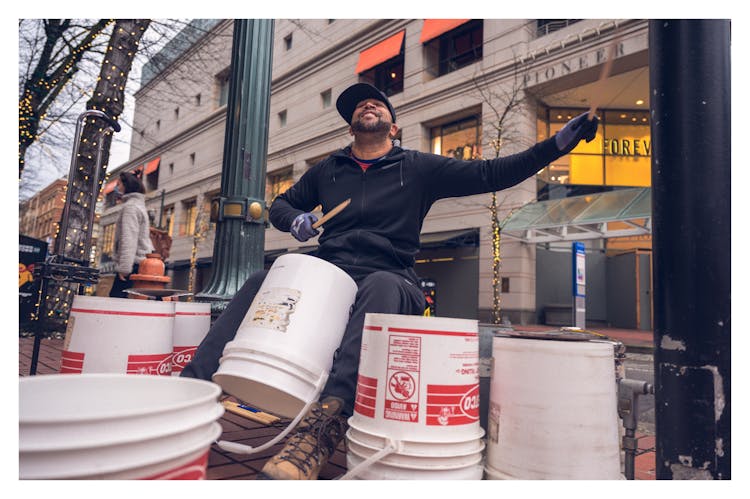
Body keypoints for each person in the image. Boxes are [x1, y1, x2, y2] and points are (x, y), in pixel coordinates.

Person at [181, 82, 599, 479]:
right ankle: (190, 393)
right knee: (261, 279)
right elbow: (281, 205)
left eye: (376, 103)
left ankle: (325, 425)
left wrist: (557, 145)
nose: (367, 105)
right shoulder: (328, 169)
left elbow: (491, 174)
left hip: (392, 274)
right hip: (331, 271)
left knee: (378, 285)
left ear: (393, 126)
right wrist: (297, 220)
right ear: (350, 127)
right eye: (359, 105)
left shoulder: (418, 167)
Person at [108, 171, 154, 298]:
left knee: (117, 302)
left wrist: (124, 268)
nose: (117, 188)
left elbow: (129, 238)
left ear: (126, 185)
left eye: (119, 184)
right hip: (138, 262)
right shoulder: (138, 205)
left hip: (133, 264)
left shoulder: (130, 208)